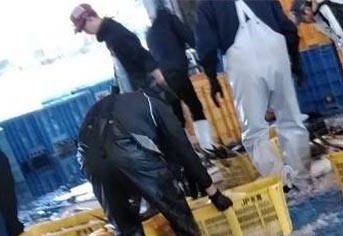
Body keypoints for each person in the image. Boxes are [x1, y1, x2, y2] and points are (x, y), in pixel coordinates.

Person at [77, 89, 232, 236]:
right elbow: (184, 150)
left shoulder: (111, 106)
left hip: (88, 159)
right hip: (127, 149)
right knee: (174, 206)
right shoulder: (155, 105)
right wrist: (214, 193)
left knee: (125, 224)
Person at [194, 0, 312, 190]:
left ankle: (281, 184)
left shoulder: (207, 3)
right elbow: (288, 28)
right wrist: (295, 62)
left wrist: (212, 78)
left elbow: (206, 45)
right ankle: (303, 181)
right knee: (291, 120)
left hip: (241, 58)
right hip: (276, 48)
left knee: (255, 130)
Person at [144, 0, 214, 151]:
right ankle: (207, 147)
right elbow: (191, 38)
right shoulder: (171, 20)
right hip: (177, 72)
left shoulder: (149, 33)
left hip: (161, 79)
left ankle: (186, 153)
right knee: (195, 107)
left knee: (177, 117)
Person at [70, 3, 169, 98]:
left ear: (89, 18)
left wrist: (158, 75)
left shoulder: (115, 34)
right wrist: (114, 91)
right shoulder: (109, 35)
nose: (86, 32)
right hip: (139, 91)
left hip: (147, 90)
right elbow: (120, 68)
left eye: (84, 28)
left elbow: (140, 54)